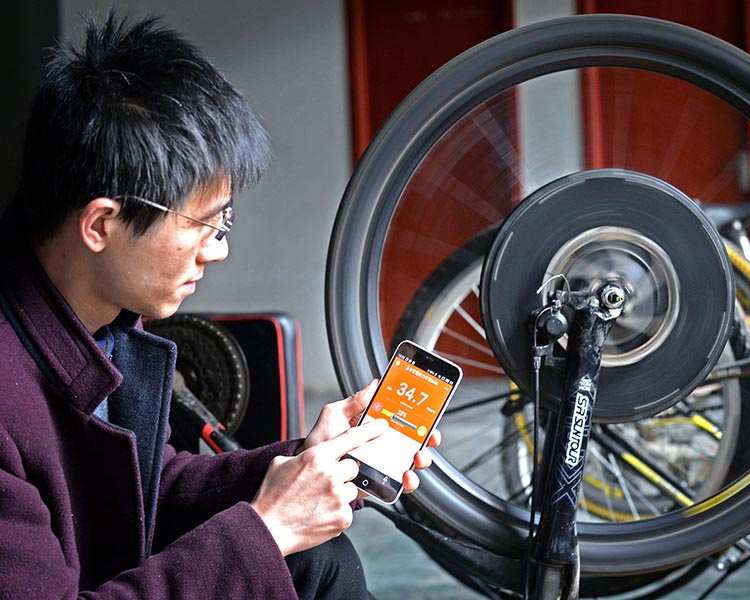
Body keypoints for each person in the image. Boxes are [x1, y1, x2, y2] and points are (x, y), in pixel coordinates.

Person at [0, 11, 437, 599]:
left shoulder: (95, 321)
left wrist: (303, 462)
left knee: (317, 558)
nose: (220, 251)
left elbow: (147, 492)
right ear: (101, 223)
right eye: (206, 224)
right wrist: (269, 528)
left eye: (225, 222)